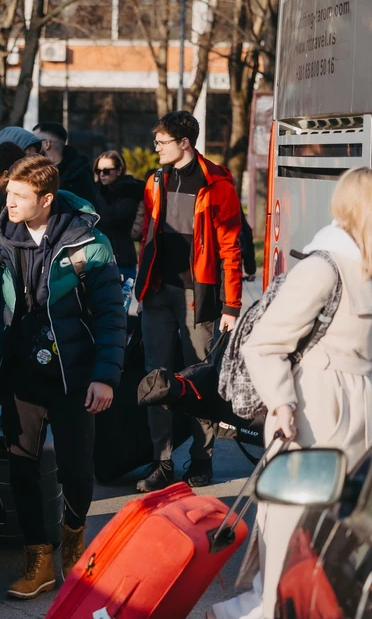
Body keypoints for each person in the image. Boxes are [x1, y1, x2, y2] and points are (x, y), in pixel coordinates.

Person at [212, 167, 372, 619]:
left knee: (344, 525)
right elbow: (265, 343)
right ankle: (277, 607)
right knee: (295, 521)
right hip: (317, 410)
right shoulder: (324, 266)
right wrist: (281, 403)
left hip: (364, 412)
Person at [0, 155, 126, 599]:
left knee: (76, 468)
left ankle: (72, 535)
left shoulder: (89, 242)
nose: (8, 201)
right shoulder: (0, 234)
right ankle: (38, 558)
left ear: (45, 199)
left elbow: (110, 315)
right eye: (8, 192)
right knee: (22, 464)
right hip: (21, 370)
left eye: (19, 196)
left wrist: (105, 376)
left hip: (75, 374)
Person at [134, 110, 243, 493]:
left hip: (199, 299)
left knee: (199, 379)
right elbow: (147, 234)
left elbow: (231, 250)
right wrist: (142, 286)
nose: (156, 148)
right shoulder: (155, 181)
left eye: (162, 142)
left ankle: (201, 460)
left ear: (185, 143)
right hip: (158, 295)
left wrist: (231, 306)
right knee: (155, 379)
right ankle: (161, 462)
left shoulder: (218, 186)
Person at [92, 150, 143, 281]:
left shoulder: (129, 191)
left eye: (107, 171)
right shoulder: (96, 191)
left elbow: (111, 218)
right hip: (98, 260)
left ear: (119, 170)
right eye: (98, 171)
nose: (102, 175)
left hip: (122, 260)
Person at [33, 121, 98, 205]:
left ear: (47, 144)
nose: (31, 146)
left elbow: (89, 208)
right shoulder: (36, 171)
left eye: (35, 141)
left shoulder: (79, 172)